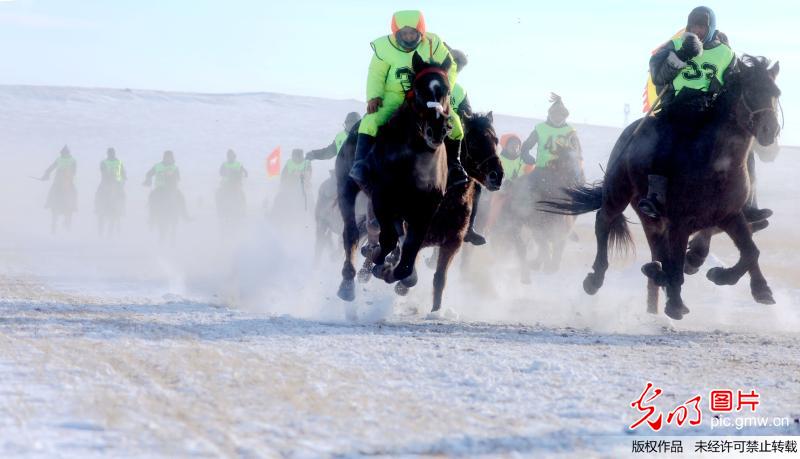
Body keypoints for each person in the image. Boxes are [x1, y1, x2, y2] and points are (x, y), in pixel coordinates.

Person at [348, 10, 467, 189]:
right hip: (394, 96)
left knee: (456, 125)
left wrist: (443, 92)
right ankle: (361, 165)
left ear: (421, 31)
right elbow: (376, 73)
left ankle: (454, 165)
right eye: (404, 33)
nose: (409, 37)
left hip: (427, 97)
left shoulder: (433, 43)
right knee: (370, 122)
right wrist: (374, 96)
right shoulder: (384, 48)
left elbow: (450, 66)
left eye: (412, 33)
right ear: (397, 33)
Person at [637, 6, 737, 219]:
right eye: (693, 25)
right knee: (665, 141)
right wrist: (681, 55)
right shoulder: (674, 45)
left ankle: (743, 201)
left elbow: (731, 87)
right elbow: (659, 77)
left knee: (737, 142)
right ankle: (656, 196)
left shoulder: (726, 54)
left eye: (702, 26)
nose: (697, 30)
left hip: (708, 110)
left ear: (711, 28)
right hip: (676, 107)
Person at [448, 47, 485, 245]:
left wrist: (466, 120)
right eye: (454, 63)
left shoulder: (460, 90)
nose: (456, 69)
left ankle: (468, 228)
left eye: (459, 67)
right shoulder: (429, 78)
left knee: (474, 185)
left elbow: (468, 114)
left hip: (453, 140)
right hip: (425, 136)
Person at [520, 94, 582, 176]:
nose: (558, 117)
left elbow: (577, 153)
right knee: (526, 185)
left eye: (561, 114)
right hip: (541, 170)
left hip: (563, 172)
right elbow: (526, 146)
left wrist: (577, 172)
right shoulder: (540, 128)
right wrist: (525, 155)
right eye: (555, 114)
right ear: (550, 114)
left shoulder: (570, 131)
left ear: (565, 116)